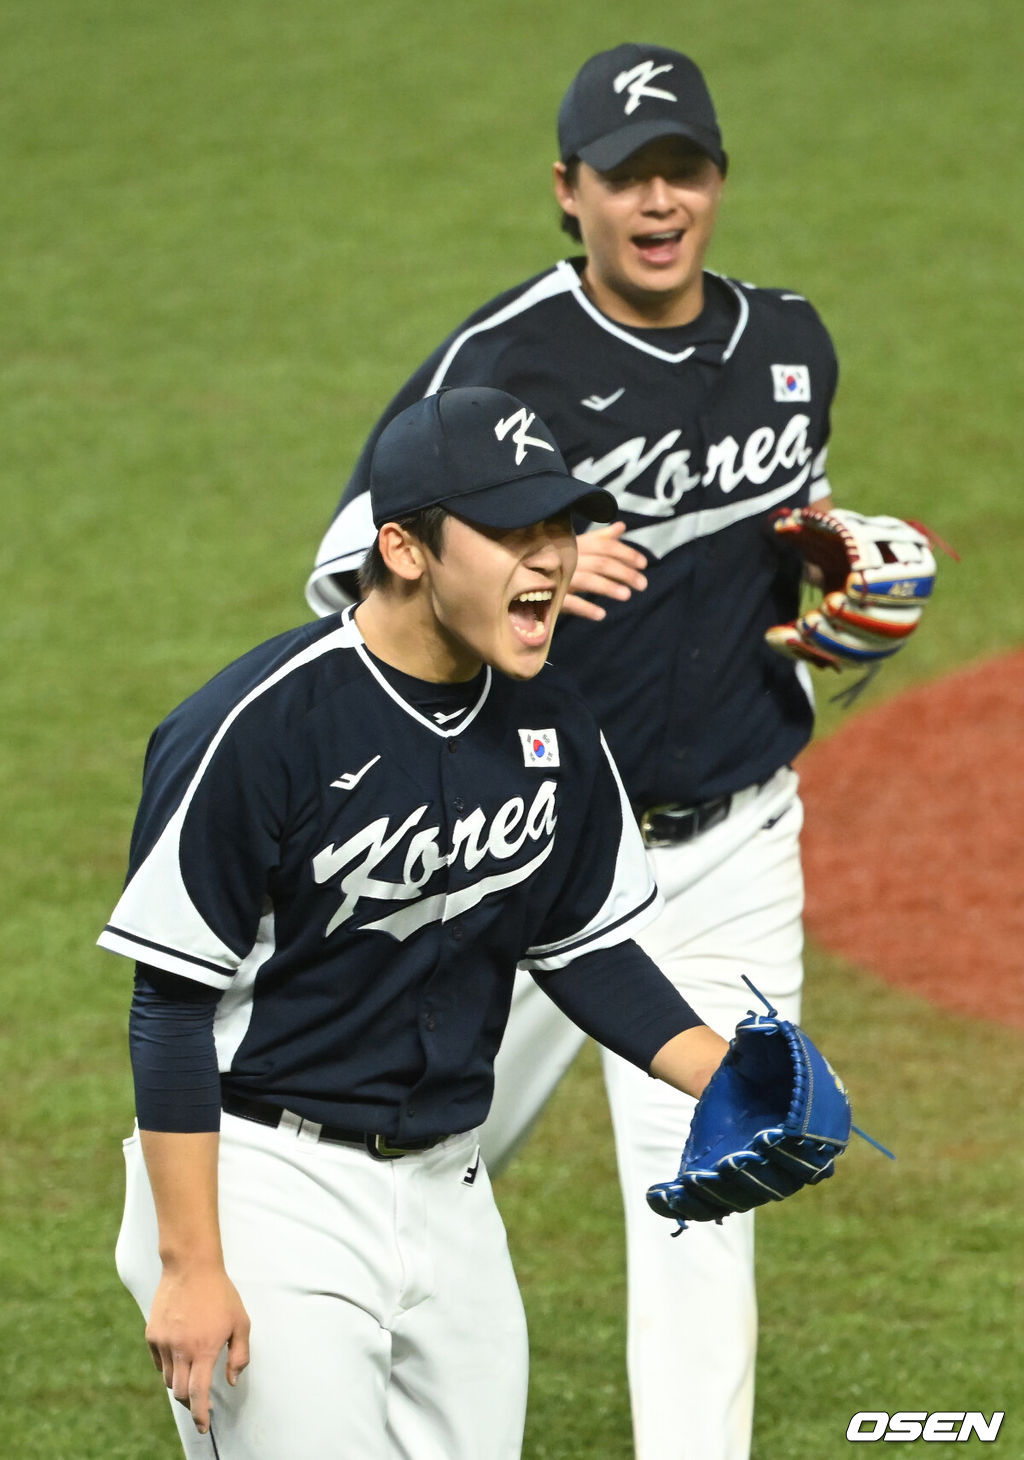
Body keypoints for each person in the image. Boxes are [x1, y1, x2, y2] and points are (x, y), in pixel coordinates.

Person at [303, 43, 858, 1460]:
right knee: (421, 1148)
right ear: (571, 192)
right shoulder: (501, 365)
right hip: (535, 843)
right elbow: (343, 575)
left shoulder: (791, 346)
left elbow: (791, 541)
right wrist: (532, 570)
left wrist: (846, 598)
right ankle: (310, 1379)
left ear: (718, 182)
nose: (658, 202)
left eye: (684, 170)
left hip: (735, 842)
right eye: (626, 178)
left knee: (713, 1175)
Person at [100, 385, 738, 1460]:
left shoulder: (553, 722)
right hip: (269, 1187)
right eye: (509, 532)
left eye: (560, 526)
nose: (550, 558)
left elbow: (585, 948)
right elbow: (168, 1005)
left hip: (452, 1187)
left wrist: (729, 1078)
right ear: (405, 548)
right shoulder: (259, 725)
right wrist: (191, 1263)